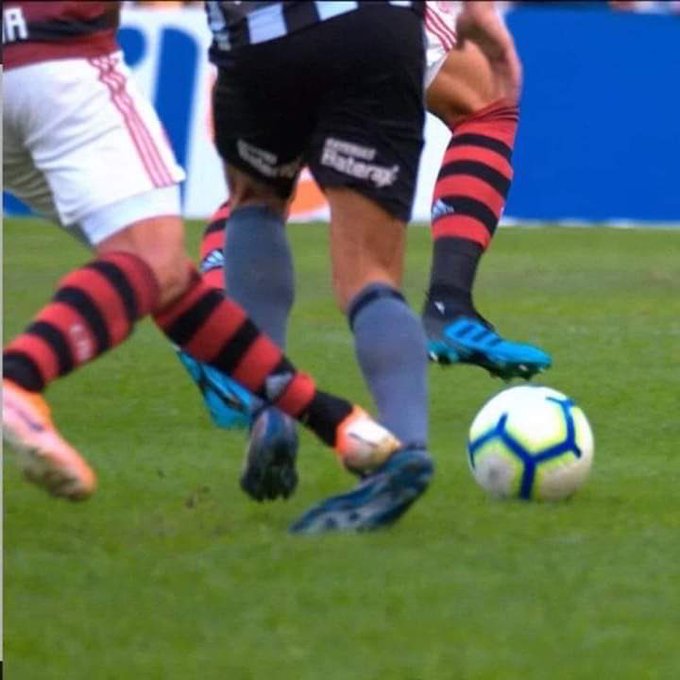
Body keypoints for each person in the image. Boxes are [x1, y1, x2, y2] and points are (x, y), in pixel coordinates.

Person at [2, 0, 425, 535]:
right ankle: (18, 378)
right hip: (64, 59)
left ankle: (303, 417)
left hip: (254, 48)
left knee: (176, 263)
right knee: (365, 273)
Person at [177, 0, 550, 503]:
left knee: (256, 197)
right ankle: (443, 323)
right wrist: (480, 11)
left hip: (253, 29)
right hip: (372, 20)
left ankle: (243, 363)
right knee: (484, 104)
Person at [196, 0, 434, 533]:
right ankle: (404, 448)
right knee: (368, 271)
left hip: (260, 39)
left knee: (255, 201)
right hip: (374, 25)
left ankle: (270, 404)